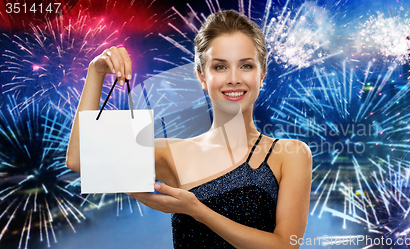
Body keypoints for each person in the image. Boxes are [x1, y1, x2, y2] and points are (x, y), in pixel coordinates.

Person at [66, 9, 312, 248]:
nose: (234, 78)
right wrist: (96, 72)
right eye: (220, 66)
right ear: (202, 77)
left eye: (246, 66)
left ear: (262, 75)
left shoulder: (290, 154)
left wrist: (196, 210)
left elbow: (285, 245)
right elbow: (80, 159)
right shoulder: (173, 153)